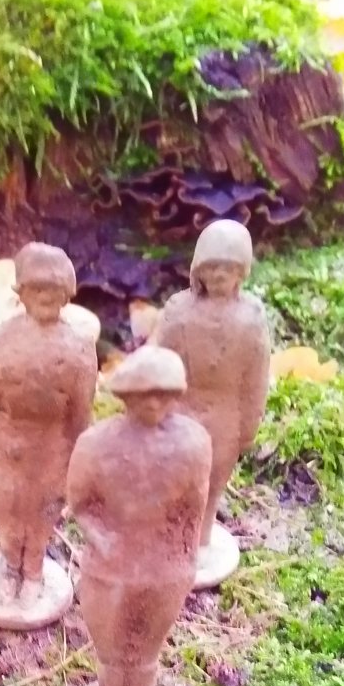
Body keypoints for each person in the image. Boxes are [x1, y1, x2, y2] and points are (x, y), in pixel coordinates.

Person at [59, 345, 211, 686]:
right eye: (145, 395)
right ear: (126, 396)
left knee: (146, 646)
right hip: (111, 567)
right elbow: (80, 501)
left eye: (165, 394)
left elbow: (193, 510)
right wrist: (101, 537)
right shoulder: (96, 444)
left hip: (164, 567)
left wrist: (186, 557)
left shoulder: (193, 444)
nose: (155, 404)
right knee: (111, 645)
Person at [0, 243, 97, 629]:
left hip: (53, 450)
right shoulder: (1, 342)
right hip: (11, 451)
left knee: (43, 511)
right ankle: (10, 566)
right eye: (37, 289)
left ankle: (34, 569)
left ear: (68, 295)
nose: (46, 297)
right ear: (20, 293)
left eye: (55, 290)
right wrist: (3, 436)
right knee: (8, 508)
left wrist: (73, 458)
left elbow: (80, 415)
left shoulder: (78, 350)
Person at [151, 219, 270, 586]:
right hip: (181, 410)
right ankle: (172, 538)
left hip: (225, 417)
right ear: (198, 268)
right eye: (213, 266)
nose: (220, 275)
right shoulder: (179, 312)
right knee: (177, 479)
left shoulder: (251, 320)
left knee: (214, 480)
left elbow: (256, 379)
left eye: (229, 268)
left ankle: (201, 541)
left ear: (242, 272)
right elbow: (158, 358)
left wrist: (248, 425)